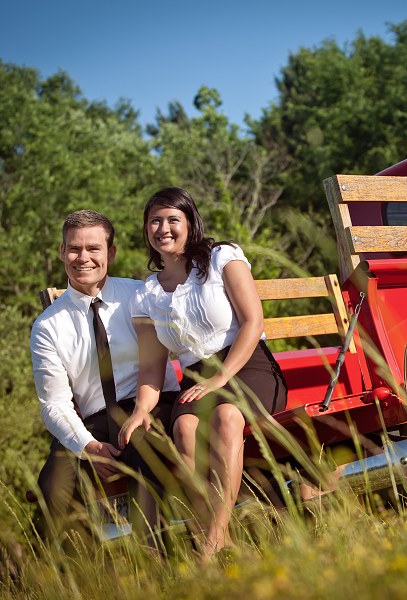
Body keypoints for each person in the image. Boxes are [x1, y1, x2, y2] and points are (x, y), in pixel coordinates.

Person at [119, 187, 287, 561]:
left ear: (190, 223)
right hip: (196, 380)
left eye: (172, 219)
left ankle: (212, 543)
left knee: (228, 417)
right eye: (155, 221)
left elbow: (252, 321)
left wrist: (222, 377)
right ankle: (214, 536)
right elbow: (152, 366)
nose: (163, 228)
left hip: (248, 366)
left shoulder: (221, 258)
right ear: (146, 229)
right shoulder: (146, 294)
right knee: (185, 429)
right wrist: (142, 410)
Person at [30, 209, 180, 540]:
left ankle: (155, 556)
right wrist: (88, 446)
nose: (83, 257)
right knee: (51, 489)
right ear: (61, 252)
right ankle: (56, 580)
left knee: (142, 443)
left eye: (93, 248)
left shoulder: (138, 294)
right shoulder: (47, 326)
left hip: (151, 402)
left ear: (110, 253)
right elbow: (54, 403)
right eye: (74, 248)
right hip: (94, 422)